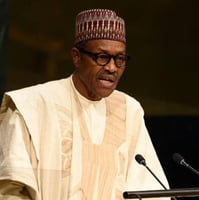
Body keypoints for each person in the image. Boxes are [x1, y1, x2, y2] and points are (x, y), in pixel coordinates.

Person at [0, 8, 170, 200]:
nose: (112, 67)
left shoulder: (129, 110)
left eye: (120, 59)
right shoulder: (32, 105)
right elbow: (10, 190)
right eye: (102, 57)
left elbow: (150, 191)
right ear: (76, 57)